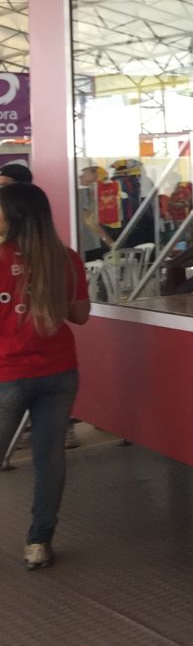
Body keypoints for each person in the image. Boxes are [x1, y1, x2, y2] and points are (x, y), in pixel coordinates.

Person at [0, 183, 90, 570]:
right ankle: (39, 543)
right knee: (49, 459)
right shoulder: (66, 259)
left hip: (7, 372)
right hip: (59, 372)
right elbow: (80, 315)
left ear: (13, 216)